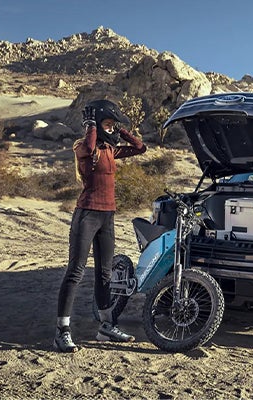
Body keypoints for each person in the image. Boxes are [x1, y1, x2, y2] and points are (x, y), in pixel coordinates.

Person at [54, 99, 147, 353]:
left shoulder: (111, 150)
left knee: (105, 273)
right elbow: (90, 143)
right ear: (95, 124)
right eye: (107, 124)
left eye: (111, 125)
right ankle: (62, 331)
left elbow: (140, 148)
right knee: (75, 271)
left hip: (107, 216)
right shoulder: (83, 147)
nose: (110, 129)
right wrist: (93, 125)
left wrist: (122, 130)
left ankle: (106, 326)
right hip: (87, 214)